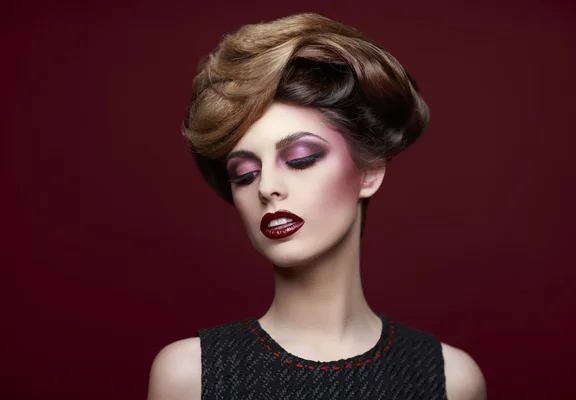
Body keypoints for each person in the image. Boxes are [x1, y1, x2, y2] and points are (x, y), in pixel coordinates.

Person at [147, 13, 486, 400]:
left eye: (301, 158)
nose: (268, 189)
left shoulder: (448, 380)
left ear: (369, 172)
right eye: (244, 174)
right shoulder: (190, 376)